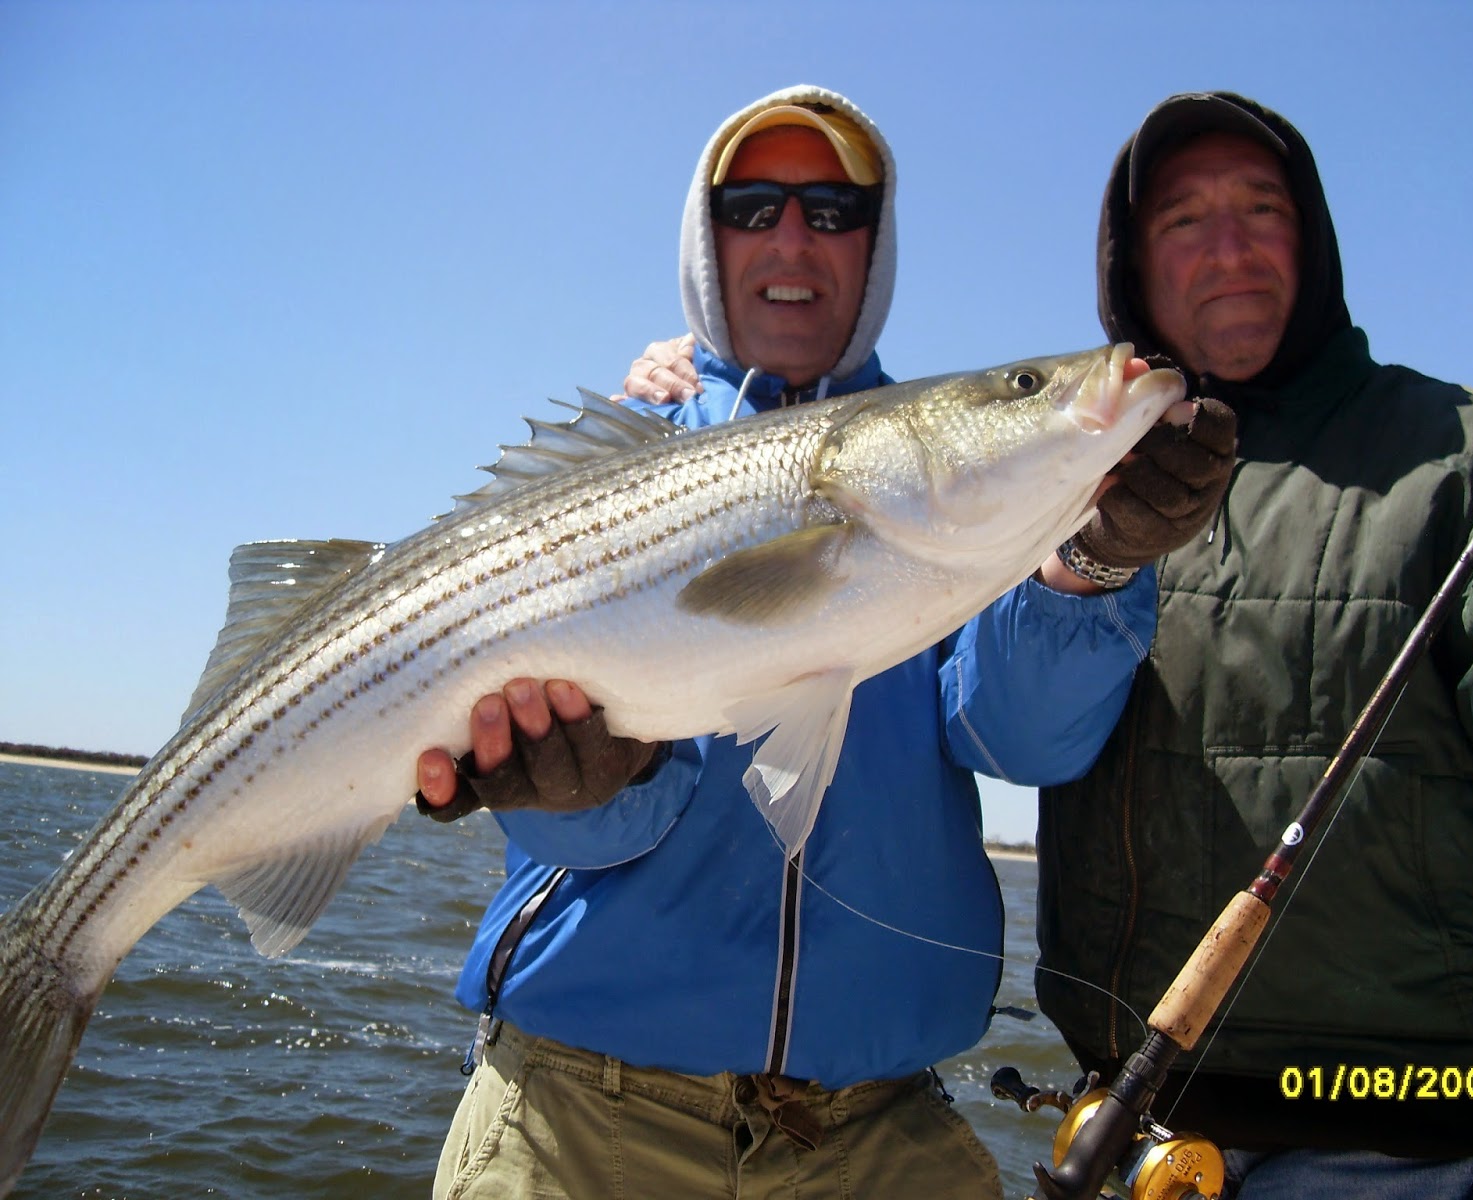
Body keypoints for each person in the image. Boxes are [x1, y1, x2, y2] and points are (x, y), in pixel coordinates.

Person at [412, 85, 1234, 1200]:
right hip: (575, 1124)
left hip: (877, 1137)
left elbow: (1023, 738)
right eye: (752, 207)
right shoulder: (617, 450)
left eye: (834, 210)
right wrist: (589, 789)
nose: (792, 237)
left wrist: (1094, 565)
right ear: (706, 246)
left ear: (874, 247)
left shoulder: (968, 519)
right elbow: (557, 824)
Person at [1031, 91, 1473, 1199]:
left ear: (1317, 240)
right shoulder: (1066, 476)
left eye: (1262, 208)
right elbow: (1007, 728)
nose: (1230, 247)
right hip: (1130, 1136)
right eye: (1184, 220)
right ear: (1131, 268)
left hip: (1413, 1147)